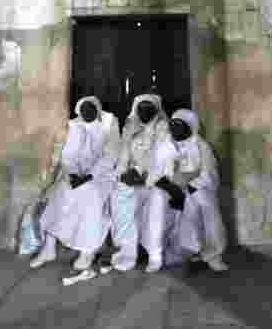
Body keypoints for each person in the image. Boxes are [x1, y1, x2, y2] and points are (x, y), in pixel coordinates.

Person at [30, 96, 120, 271]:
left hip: (101, 175)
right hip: (76, 173)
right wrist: (72, 174)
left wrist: (88, 176)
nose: (88, 113)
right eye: (84, 110)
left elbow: (110, 155)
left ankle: (87, 250)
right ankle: (49, 247)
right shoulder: (74, 126)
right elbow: (68, 155)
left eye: (92, 109)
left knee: (90, 194)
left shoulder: (109, 123)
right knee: (60, 191)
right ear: (79, 111)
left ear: (98, 110)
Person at [143, 108, 228, 273]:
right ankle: (155, 255)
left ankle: (212, 255)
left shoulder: (201, 146)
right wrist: (171, 188)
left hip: (193, 187)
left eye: (179, 126)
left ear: (191, 127)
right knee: (156, 201)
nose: (174, 129)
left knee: (206, 203)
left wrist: (188, 187)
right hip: (168, 187)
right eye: (172, 125)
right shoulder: (163, 145)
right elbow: (154, 174)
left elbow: (209, 174)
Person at [109, 93, 171, 271]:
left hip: (158, 180)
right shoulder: (131, 127)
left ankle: (154, 254)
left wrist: (145, 177)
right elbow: (123, 157)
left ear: (157, 110)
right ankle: (127, 252)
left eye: (148, 108)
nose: (144, 112)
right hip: (135, 177)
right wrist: (123, 174)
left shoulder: (164, 128)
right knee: (119, 196)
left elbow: (164, 160)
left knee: (155, 203)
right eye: (141, 108)